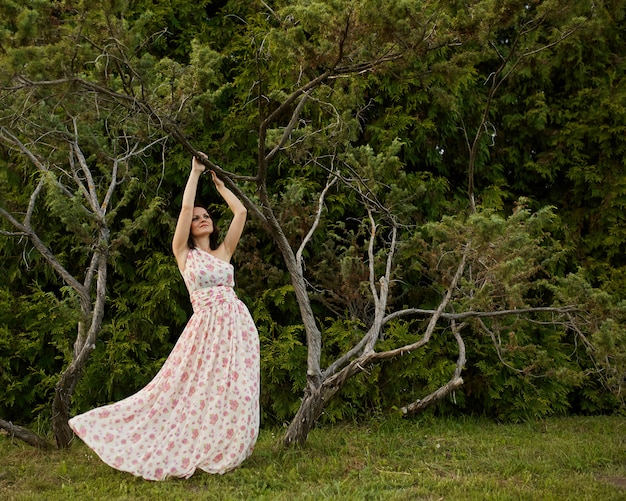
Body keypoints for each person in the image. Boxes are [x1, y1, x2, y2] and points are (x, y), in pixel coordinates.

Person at [69, 153, 260, 481]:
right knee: (192, 389)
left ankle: (225, 449)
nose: (201, 219)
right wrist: (195, 174)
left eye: (206, 215)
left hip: (237, 327)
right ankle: (176, 442)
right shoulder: (185, 254)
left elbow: (241, 212)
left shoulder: (223, 252)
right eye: (197, 217)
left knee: (234, 390)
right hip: (205, 329)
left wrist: (221, 185)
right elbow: (185, 210)